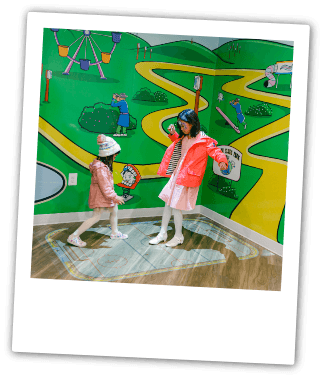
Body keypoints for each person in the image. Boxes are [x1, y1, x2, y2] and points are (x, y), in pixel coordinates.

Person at [149, 109, 228, 247]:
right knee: (168, 204)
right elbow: (179, 146)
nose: (182, 128)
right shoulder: (184, 138)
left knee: (175, 207)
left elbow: (216, 151)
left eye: (184, 125)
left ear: (193, 124)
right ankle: (163, 233)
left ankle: (179, 236)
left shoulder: (204, 140)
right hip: (177, 176)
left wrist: (222, 160)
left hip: (186, 178)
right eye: (180, 125)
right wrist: (173, 134)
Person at [67, 134, 127, 247]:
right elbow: (105, 187)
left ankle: (115, 232)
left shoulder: (101, 165)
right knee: (96, 216)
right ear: (108, 155)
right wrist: (115, 197)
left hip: (103, 195)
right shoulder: (101, 168)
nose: (115, 158)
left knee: (114, 209)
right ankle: (73, 236)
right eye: (114, 156)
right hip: (100, 196)